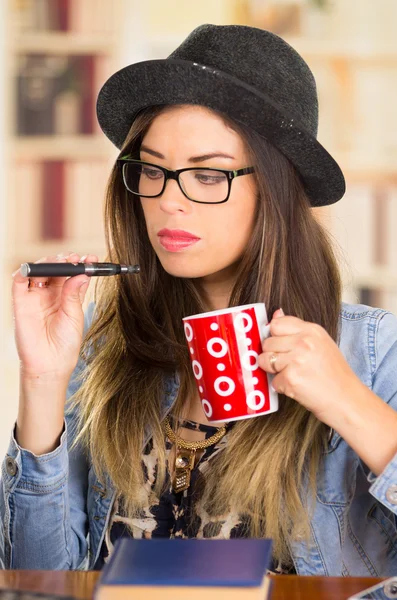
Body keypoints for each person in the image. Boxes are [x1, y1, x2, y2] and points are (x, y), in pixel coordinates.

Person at [1, 23, 397, 575]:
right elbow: (37, 580)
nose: (170, 202)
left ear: (279, 189)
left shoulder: (373, 351)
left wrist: (348, 403)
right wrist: (41, 381)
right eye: (154, 170)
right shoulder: (103, 347)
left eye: (209, 175)